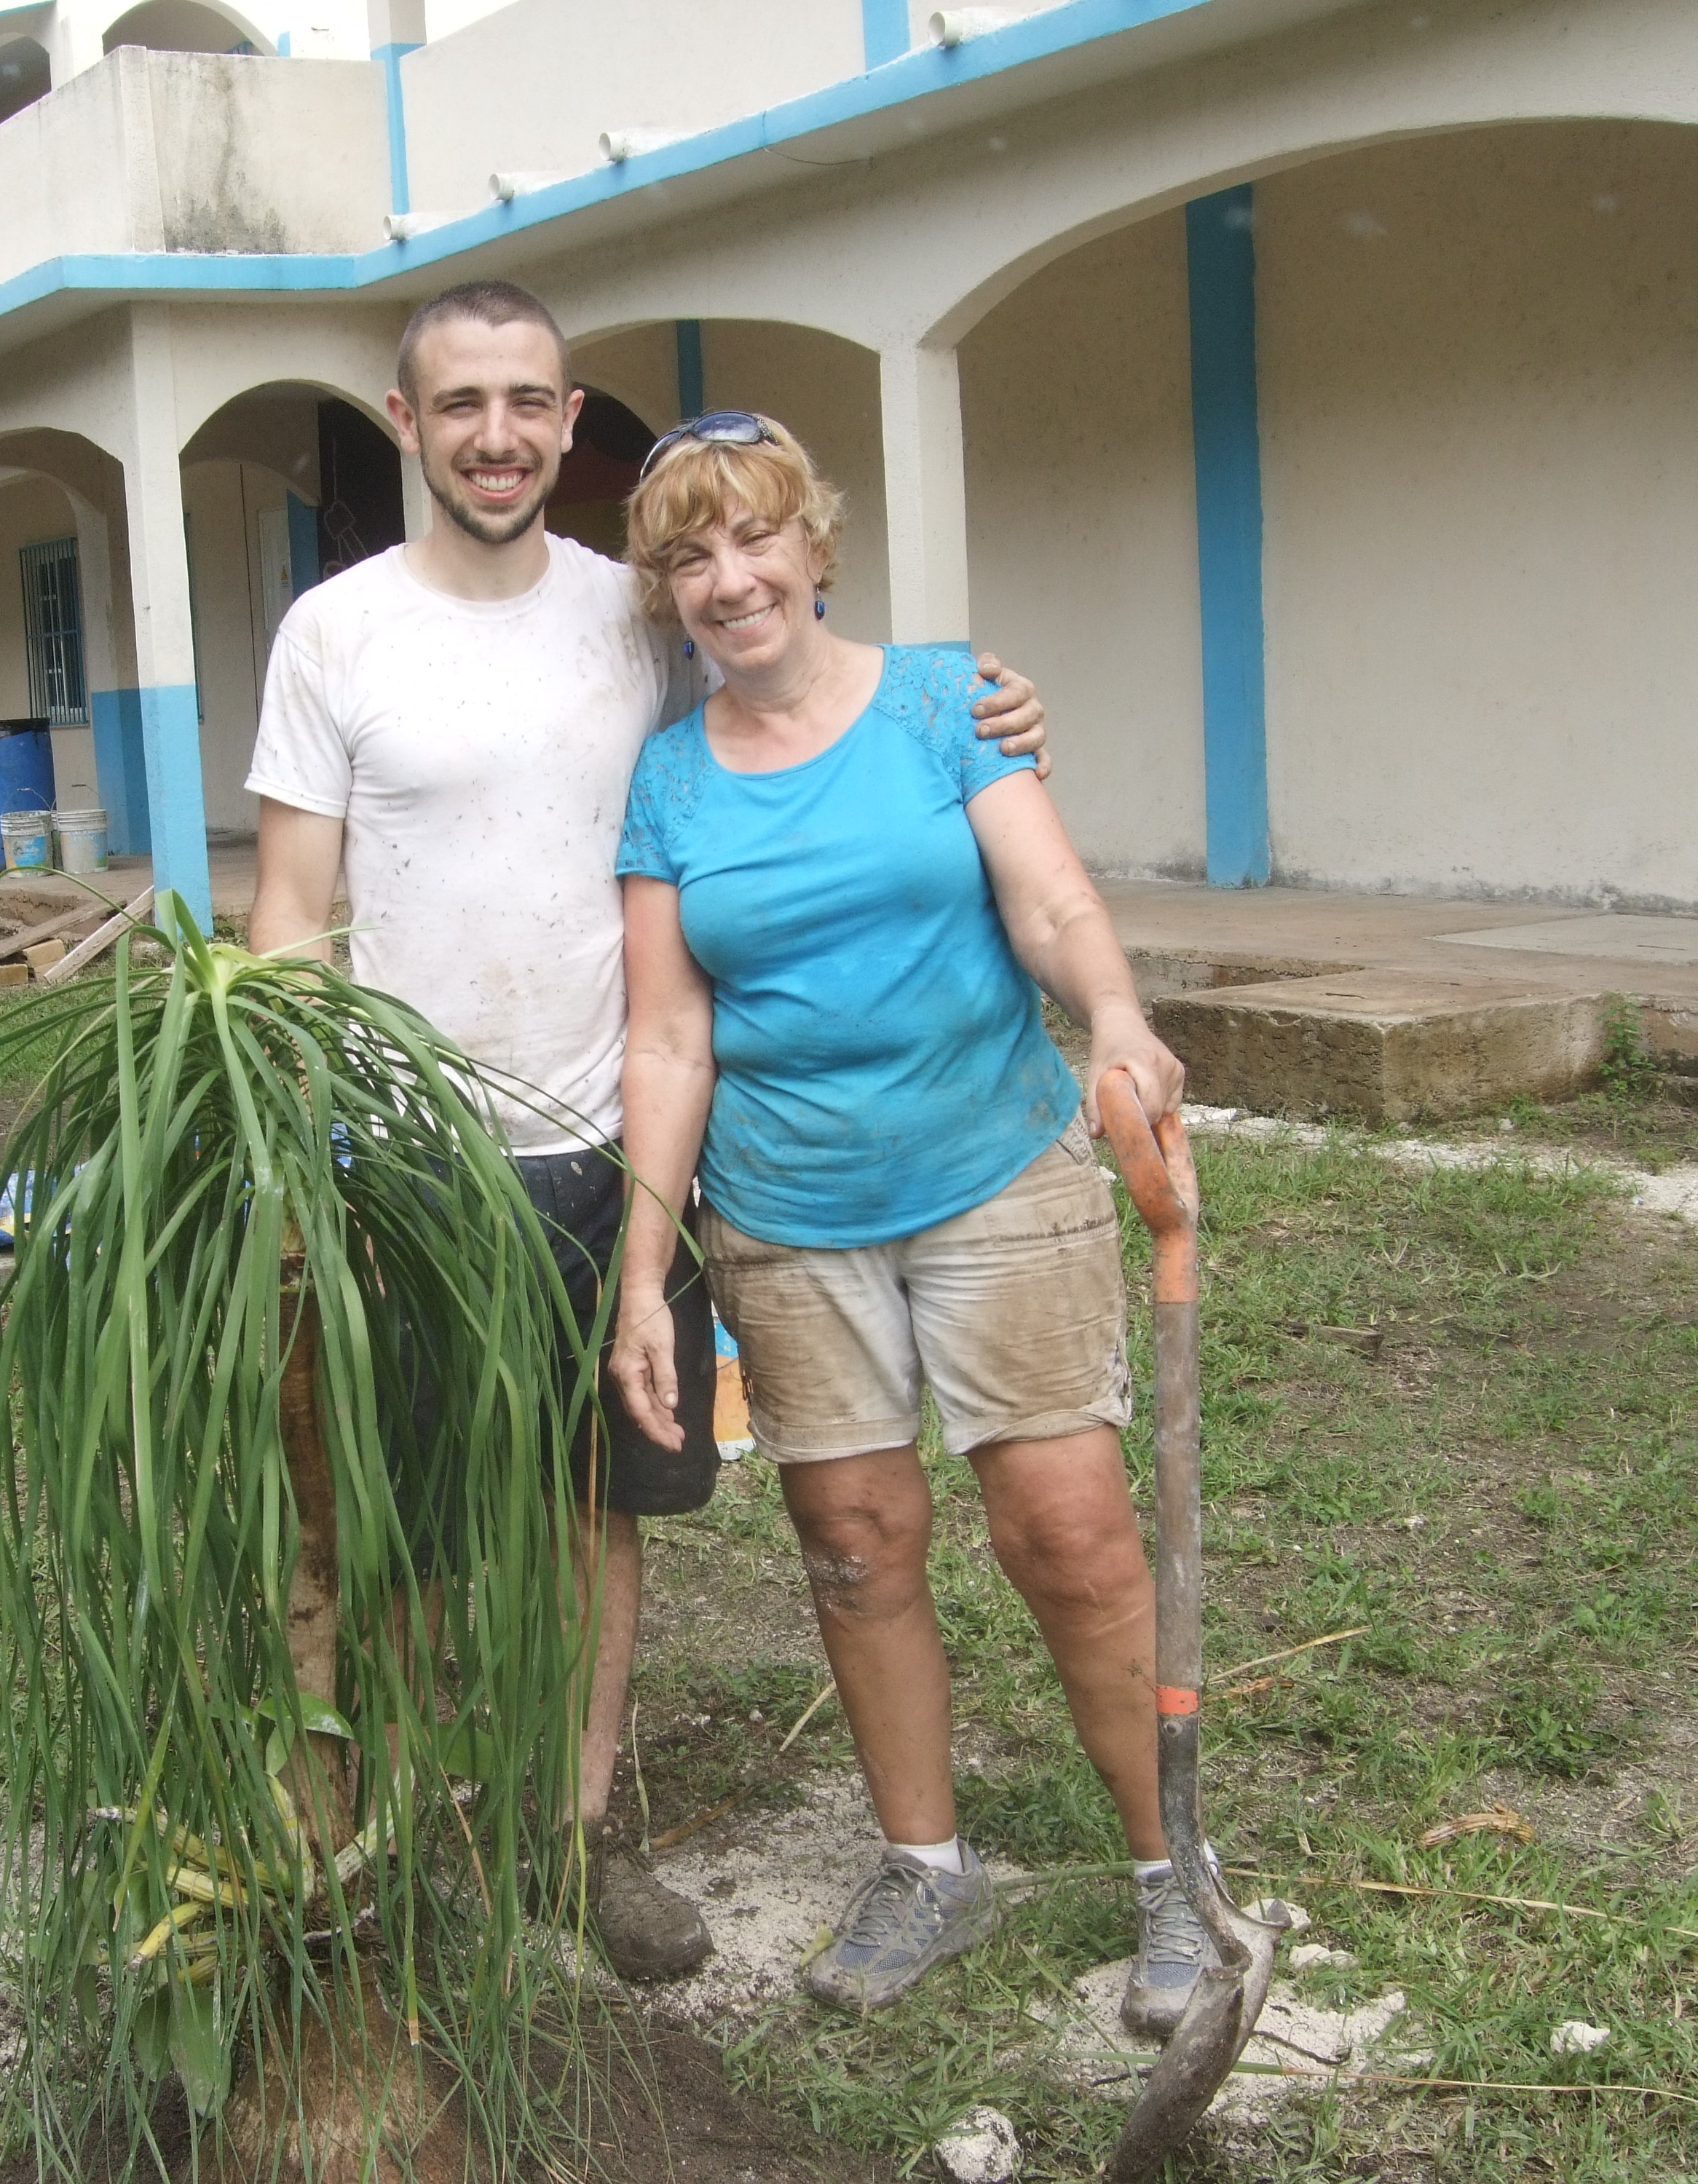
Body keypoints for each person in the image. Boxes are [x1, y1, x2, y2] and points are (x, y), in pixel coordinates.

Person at [243, 281, 1051, 1984]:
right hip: (401, 1152)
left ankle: (575, 1828)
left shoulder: (636, 610)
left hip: (607, 1141)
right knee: (408, 1506)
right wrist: (285, 1141)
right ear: (405, 423)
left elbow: (804, 672)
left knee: (588, 1507)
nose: (495, 435)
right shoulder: (334, 632)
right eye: (459, 403)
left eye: (528, 401)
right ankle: (405, 1811)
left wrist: (983, 706)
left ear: (566, 416)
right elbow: (291, 911)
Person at [606, 411, 1208, 2029]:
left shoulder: (946, 701)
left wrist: (1114, 1018)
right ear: (666, 592)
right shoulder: (666, 781)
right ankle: (925, 1867)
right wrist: (642, 1271)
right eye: (686, 558)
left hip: (990, 1170)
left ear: (814, 544)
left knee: (1068, 1538)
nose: (728, 582)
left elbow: (1049, 896)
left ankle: (1172, 1875)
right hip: (788, 1217)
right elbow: (667, 1037)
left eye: (752, 539)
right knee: (855, 1550)